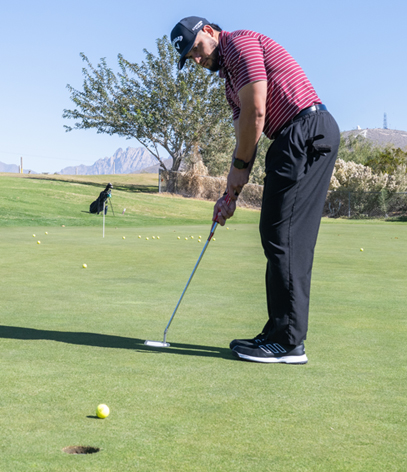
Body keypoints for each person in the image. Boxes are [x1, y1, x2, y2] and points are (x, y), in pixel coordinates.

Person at [171, 17, 340, 364]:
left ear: (208, 31)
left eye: (197, 50)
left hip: (305, 130)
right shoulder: (229, 80)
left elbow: (257, 112)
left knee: (284, 236)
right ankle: (278, 331)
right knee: (274, 233)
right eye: (190, 59)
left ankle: (289, 342)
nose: (197, 60)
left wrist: (240, 169)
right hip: (290, 138)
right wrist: (230, 193)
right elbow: (243, 132)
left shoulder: (240, 44)